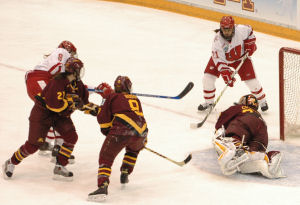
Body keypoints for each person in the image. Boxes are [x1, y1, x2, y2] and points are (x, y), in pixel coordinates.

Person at [3, 57, 92, 181]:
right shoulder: (58, 82)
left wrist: (97, 110)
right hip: (42, 113)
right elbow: (54, 105)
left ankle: (60, 166)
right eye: (79, 70)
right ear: (74, 71)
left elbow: (83, 103)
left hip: (58, 115)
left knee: (71, 136)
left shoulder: (78, 85)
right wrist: (69, 102)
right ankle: (11, 162)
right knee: (33, 145)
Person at [88, 76, 148, 202]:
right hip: (142, 132)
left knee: (106, 157)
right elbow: (138, 117)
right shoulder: (135, 99)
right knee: (133, 150)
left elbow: (103, 119)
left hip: (122, 132)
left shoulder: (112, 97)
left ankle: (103, 186)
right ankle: (125, 172)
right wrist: (142, 139)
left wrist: (107, 132)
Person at [198, 16, 268, 112]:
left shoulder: (241, 30)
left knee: (252, 81)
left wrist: (250, 43)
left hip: (241, 58)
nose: (226, 32)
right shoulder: (217, 41)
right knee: (207, 78)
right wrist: (226, 73)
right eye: (224, 29)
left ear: (233, 28)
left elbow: (250, 31)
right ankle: (209, 102)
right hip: (223, 60)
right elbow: (219, 61)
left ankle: (262, 101)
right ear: (221, 28)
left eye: (229, 29)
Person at [212, 94, 284, 178]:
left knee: (232, 132)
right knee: (251, 152)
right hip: (262, 130)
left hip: (245, 123)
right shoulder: (258, 115)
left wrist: (219, 129)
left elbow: (223, 117)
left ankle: (236, 147)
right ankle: (268, 157)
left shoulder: (240, 108)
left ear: (243, 101)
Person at [25, 40, 77, 156]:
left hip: (37, 81)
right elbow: (57, 68)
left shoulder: (53, 59)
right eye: (72, 53)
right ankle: (58, 147)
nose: (72, 57)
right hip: (39, 81)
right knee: (58, 111)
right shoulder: (62, 51)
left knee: (50, 111)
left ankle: (45, 142)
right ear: (68, 50)